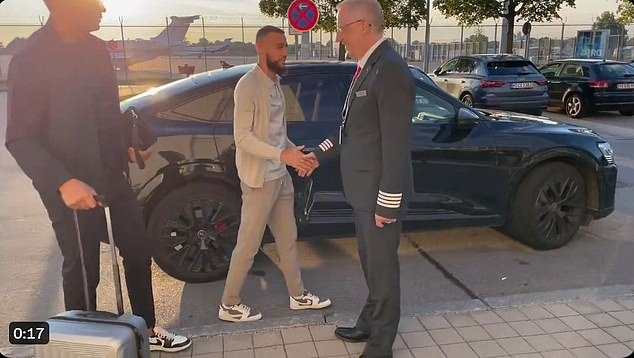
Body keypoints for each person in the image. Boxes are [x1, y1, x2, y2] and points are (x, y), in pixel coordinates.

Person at [5, 0, 191, 352]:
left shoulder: (95, 51)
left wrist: (128, 142)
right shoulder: (31, 58)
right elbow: (19, 138)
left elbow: (107, 112)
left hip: (112, 176)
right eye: (93, 2)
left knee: (138, 250)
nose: (103, 9)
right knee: (82, 265)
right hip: (69, 186)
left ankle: (147, 329)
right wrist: (62, 181)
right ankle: (83, 343)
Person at [304, 0, 414, 356]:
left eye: (343, 27)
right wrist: (317, 156)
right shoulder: (369, 67)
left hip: (377, 196)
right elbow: (350, 130)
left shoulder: (390, 70)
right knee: (371, 264)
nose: (339, 35)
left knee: (383, 270)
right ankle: (369, 323)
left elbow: (396, 144)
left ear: (365, 25)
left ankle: (381, 345)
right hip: (362, 193)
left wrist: (388, 202)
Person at [218, 25, 332, 323]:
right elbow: (242, 138)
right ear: (261, 49)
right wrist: (284, 155)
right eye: (279, 46)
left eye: (286, 46)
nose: (285, 52)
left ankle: (298, 295)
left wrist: (297, 157)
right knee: (249, 243)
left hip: (280, 176)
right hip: (259, 180)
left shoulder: (276, 84)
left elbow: (277, 136)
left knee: (288, 239)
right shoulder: (248, 86)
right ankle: (229, 304)